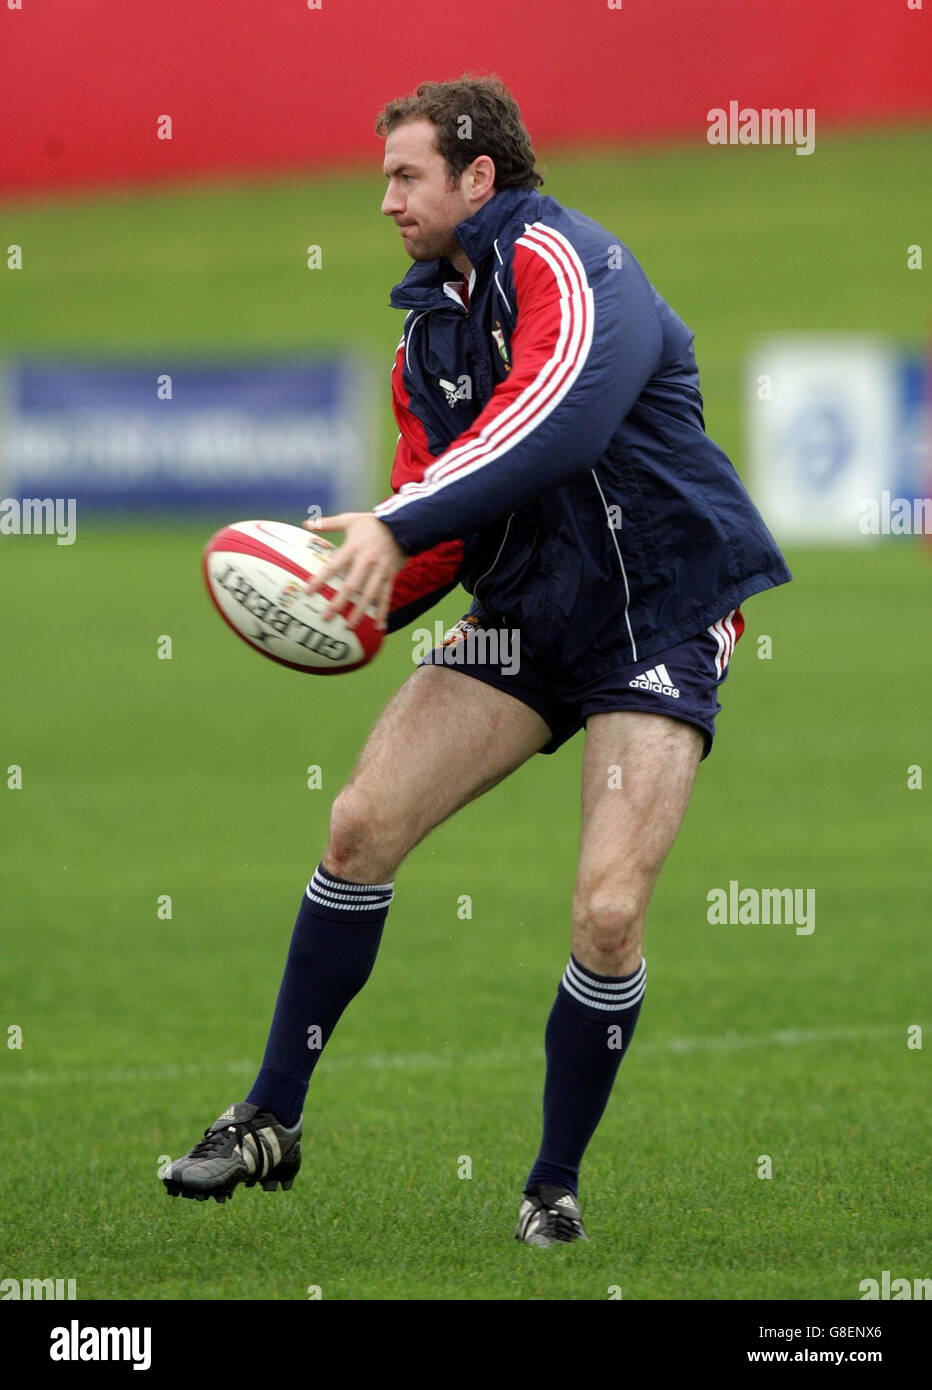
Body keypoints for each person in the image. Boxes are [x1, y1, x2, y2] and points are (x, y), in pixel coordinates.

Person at [163, 75, 791, 1246]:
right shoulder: (427, 333)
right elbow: (438, 524)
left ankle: (551, 1184)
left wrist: (391, 523)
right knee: (358, 823)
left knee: (606, 912)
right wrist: (337, 595)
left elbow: (557, 415)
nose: (386, 201)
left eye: (406, 177)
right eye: (384, 178)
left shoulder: (570, 259)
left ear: (477, 178)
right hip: (522, 616)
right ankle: (267, 1117)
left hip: (657, 610)